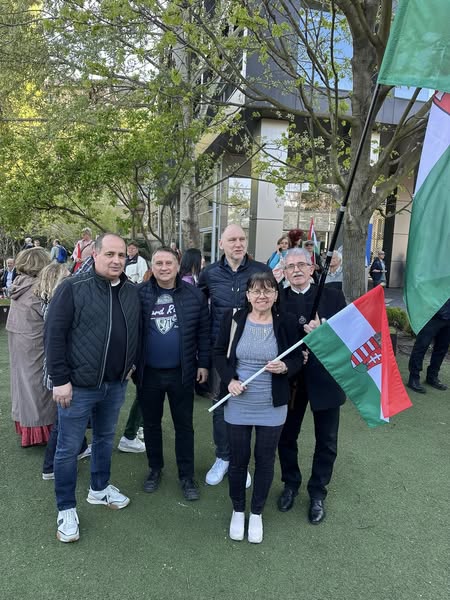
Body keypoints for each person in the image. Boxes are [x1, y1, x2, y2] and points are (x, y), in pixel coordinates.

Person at [45, 233, 140, 543]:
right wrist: (60, 380)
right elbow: (53, 335)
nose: (116, 260)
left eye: (121, 255)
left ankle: (99, 489)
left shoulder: (131, 291)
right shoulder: (72, 288)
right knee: (68, 449)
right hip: (78, 387)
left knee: (103, 438)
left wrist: (131, 363)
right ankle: (66, 508)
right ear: (95, 254)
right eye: (110, 254)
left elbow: (136, 330)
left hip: (115, 384)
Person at [214, 272, 303, 543]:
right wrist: (229, 380)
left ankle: (256, 513)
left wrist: (285, 367)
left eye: (267, 290)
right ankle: (238, 510)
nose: (261, 296)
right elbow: (218, 354)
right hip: (238, 403)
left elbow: (298, 357)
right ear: (248, 295)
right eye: (255, 291)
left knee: (265, 461)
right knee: (238, 461)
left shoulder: (286, 322)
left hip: (271, 406)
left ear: (276, 295)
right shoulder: (233, 319)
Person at [277, 248, 347, 524]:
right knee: (286, 436)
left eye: (301, 265)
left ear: (312, 268)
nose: (296, 270)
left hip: (326, 378)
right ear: (284, 271)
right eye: (290, 266)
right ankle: (290, 483)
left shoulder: (333, 296)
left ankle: (318, 492)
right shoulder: (277, 299)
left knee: (327, 440)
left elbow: (347, 337)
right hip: (292, 381)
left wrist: (324, 331)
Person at [198, 224, 271, 487]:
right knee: (221, 404)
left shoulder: (261, 270)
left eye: (241, 239)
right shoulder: (209, 273)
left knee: (247, 405)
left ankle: (240, 460)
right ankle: (223, 456)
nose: (238, 244)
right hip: (221, 351)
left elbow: (274, 306)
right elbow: (200, 310)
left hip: (253, 349)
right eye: (232, 240)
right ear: (221, 244)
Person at [137, 247, 209, 501]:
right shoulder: (139, 293)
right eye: (159, 263)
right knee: (151, 424)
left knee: (184, 426)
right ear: (152, 266)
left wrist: (203, 364)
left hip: (182, 372)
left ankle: (186, 476)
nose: (164, 267)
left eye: (169, 263)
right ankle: (155, 469)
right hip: (149, 373)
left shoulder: (194, 294)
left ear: (178, 266)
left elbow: (203, 333)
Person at [36, 262, 92, 479]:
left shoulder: (48, 302)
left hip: (54, 371)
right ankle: (50, 466)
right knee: (63, 423)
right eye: (67, 275)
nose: (72, 278)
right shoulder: (56, 305)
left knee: (69, 417)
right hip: (60, 373)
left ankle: (81, 447)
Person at [6, 247, 54, 446]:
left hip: (18, 338)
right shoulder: (39, 287)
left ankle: (26, 426)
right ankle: (40, 430)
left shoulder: (19, 283)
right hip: (34, 341)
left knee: (22, 384)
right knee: (38, 387)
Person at [407, 298, 450, 393]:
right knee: (421, 346)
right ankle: (414, 377)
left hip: (448, 316)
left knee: (442, 348)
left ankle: (432, 376)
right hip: (432, 314)